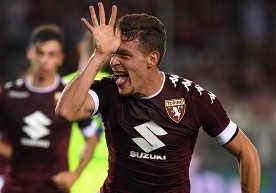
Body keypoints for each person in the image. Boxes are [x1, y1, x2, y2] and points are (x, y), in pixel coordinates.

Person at [56, 2, 261, 193]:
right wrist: (99, 55)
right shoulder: (109, 90)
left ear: (151, 59)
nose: (115, 62)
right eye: (113, 54)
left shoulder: (192, 99)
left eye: (125, 55)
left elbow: (247, 153)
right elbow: (66, 111)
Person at [0, 24, 99, 193]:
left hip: (51, 188)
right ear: (29, 53)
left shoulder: (69, 96)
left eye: (51, 54)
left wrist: (75, 175)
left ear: (60, 58)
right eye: (40, 53)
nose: (44, 60)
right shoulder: (7, 94)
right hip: (14, 187)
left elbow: (91, 140)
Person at [64, 31, 109, 193]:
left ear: (80, 48)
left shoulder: (63, 86)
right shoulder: (117, 88)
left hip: (71, 174)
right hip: (108, 177)